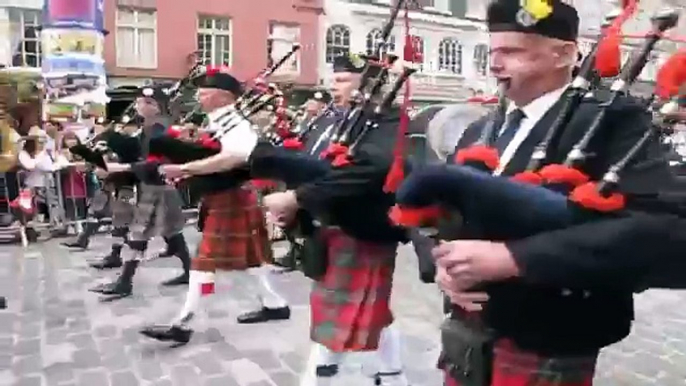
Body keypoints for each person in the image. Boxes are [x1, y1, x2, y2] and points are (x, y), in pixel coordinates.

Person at [430, 1, 675, 385]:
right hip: (467, 332)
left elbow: (662, 231)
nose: (495, 64)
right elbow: (437, 204)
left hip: (549, 334)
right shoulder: (479, 128)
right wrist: (441, 262)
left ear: (563, 54)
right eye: (493, 51)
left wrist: (515, 258)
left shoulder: (614, 120)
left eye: (511, 51)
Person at [259, 54, 409, 386]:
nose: (333, 85)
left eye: (342, 79)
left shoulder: (389, 122)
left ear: (368, 85)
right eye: (334, 78)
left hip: (364, 231)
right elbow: (312, 164)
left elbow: (370, 170)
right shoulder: (332, 121)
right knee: (371, 312)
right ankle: (394, 377)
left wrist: (297, 198)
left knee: (335, 322)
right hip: (328, 229)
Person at [138, 68, 290, 344]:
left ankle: (184, 324)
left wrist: (185, 167)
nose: (199, 96)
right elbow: (213, 148)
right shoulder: (218, 121)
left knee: (203, 260)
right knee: (250, 261)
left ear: (222, 97)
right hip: (224, 196)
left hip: (231, 196)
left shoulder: (237, 124)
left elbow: (234, 157)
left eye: (205, 92)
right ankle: (275, 305)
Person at [89, 85, 191, 301]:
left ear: (156, 107)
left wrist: (120, 168)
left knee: (138, 235)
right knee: (172, 234)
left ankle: (124, 282)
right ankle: (189, 272)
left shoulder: (160, 130)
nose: (138, 105)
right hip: (154, 187)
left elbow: (154, 163)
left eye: (144, 102)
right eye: (139, 102)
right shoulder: (148, 128)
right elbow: (136, 152)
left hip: (159, 188)